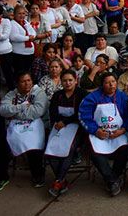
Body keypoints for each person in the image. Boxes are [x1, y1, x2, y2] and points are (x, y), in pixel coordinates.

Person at [79, 72, 128, 197]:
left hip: (118, 133)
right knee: (94, 152)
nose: (111, 85)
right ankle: (112, 180)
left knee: (125, 149)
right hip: (99, 133)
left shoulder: (123, 97)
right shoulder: (92, 98)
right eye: (107, 82)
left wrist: (122, 130)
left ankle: (113, 178)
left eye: (113, 81)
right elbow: (84, 116)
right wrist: (95, 130)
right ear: (102, 84)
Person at [0, 72, 48, 187]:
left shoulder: (38, 93)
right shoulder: (12, 94)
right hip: (15, 127)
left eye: (29, 80)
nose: (27, 84)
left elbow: (37, 111)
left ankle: (38, 175)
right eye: (23, 81)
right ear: (17, 83)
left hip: (36, 125)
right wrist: (20, 107)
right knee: (3, 146)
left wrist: (14, 114)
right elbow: (3, 110)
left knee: (33, 146)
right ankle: (2, 176)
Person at [45, 69, 86, 197]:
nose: (67, 83)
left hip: (77, 126)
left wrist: (66, 121)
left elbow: (81, 114)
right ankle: (62, 180)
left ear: (75, 81)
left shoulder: (82, 94)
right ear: (61, 82)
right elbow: (53, 112)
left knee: (68, 149)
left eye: (70, 80)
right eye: (64, 81)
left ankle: (58, 181)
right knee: (50, 150)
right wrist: (59, 122)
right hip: (59, 126)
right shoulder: (57, 95)